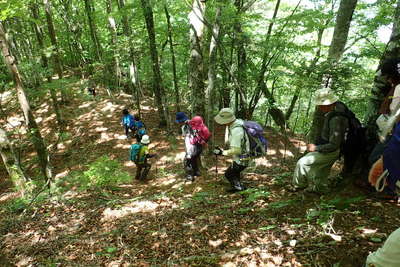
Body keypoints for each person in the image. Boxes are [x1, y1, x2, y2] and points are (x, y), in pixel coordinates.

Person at [291, 89, 349, 193]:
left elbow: (334, 144)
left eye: (321, 104)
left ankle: (299, 186)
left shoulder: (336, 119)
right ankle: (321, 189)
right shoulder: (335, 110)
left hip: (332, 151)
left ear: (329, 104)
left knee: (302, 163)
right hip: (333, 149)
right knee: (322, 171)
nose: (319, 107)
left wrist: (316, 148)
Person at [213, 108, 250, 192]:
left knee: (228, 174)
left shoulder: (236, 130)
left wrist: (222, 152)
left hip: (242, 158)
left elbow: (236, 150)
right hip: (242, 157)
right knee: (235, 172)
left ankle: (239, 189)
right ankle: (237, 186)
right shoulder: (238, 124)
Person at [175, 112, 209, 182]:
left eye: (179, 122)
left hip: (192, 147)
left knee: (188, 162)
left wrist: (188, 153)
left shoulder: (185, 128)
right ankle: (197, 172)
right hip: (199, 146)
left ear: (181, 121)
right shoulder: (194, 123)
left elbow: (187, 141)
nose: (178, 123)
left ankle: (190, 177)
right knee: (194, 159)